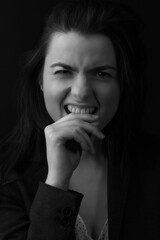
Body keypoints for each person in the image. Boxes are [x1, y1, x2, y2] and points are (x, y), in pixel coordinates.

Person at [0, 0, 160, 239]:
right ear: (41, 81)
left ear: (122, 84)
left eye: (102, 73)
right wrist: (57, 181)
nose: (82, 92)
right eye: (64, 71)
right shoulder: (6, 175)